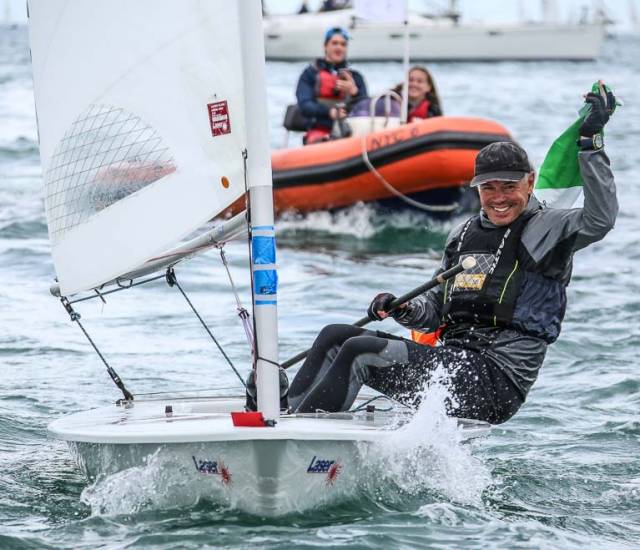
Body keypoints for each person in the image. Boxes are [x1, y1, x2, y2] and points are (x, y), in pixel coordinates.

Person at [288, 87, 617, 424]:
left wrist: (590, 143)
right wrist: (403, 308)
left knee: (360, 352)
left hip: (495, 382)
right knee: (335, 335)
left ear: (529, 182)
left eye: (509, 186)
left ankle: (305, 440)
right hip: (450, 363)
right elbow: (434, 309)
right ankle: (283, 421)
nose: (499, 197)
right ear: (477, 188)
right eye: (489, 188)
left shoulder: (549, 229)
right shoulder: (462, 234)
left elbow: (600, 219)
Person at [295, 27, 368, 145]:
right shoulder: (310, 74)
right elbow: (304, 104)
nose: (339, 47)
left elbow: (365, 109)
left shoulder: (356, 78)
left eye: (343, 44)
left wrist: (354, 92)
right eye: (334, 43)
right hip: (320, 129)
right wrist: (330, 112)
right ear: (325, 46)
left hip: (351, 131)